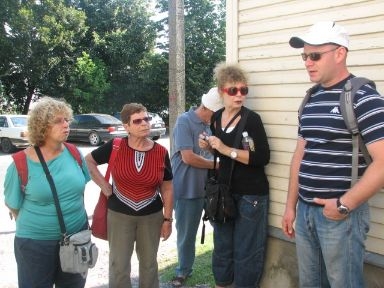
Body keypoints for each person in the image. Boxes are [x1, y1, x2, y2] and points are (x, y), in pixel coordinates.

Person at [281, 21, 384, 287]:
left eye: (315, 55)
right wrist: (290, 206)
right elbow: (299, 155)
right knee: (310, 283)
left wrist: (343, 205)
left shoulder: (364, 97)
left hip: (341, 216)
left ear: (340, 54)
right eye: (304, 56)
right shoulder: (311, 98)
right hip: (305, 212)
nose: (307, 62)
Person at [4, 97, 91, 288]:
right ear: (41, 127)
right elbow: (13, 205)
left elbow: (79, 189)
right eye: (58, 121)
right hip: (35, 245)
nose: (65, 125)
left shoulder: (75, 153)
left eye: (66, 119)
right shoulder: (20, 163)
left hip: (77, 237)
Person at [85, 103, 173, 288]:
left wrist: (167, 219)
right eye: (138, 121)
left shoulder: (161, 152)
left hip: (151, 216)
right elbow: (89, 161)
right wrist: (105, 187)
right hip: (119, 215)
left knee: (149, 265)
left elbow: (167, 187)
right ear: (127, 127)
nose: (144, 123)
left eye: (146, 119)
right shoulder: (116, 146)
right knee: (119, 265)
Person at [199, 63, 270, 288]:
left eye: (243, 90)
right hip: (223, 193)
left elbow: (262, 158)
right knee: (222, 245)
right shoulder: (217, 117)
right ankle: (222, 284)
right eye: (233, 90)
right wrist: (210, 147)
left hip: (251, 195)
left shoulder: (252, 119)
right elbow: (221, 152)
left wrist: (224, 148)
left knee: (246, 250)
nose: (239, 95)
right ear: (221, 91)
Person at [170, 87, 223, 286]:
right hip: (186, 188)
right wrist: (217, 165)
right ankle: (183, 271)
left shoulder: (211, 124)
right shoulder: (185, 121)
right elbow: (188, 157)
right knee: (186, 234)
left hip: (210, 189)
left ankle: (222, 269)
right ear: (208, 108)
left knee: (221, 230)